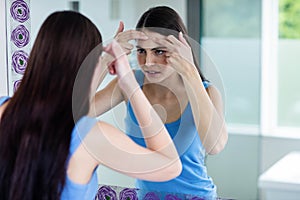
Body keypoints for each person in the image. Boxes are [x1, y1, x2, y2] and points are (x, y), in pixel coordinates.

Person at [0, 11, 182, 200]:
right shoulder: (90, 137)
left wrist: (101, 61)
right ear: (89, 67)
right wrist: (128, 82)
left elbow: (71, 109)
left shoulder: (3, 109)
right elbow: (170, 165)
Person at [91, 6, 228, 199]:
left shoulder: (207, 91)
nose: (148, 62)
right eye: (141, 51)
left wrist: (189, 71)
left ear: (180, 49)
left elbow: (215, 145)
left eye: (159, 51)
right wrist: (107, 59)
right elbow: (76, 112)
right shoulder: (128, 83)